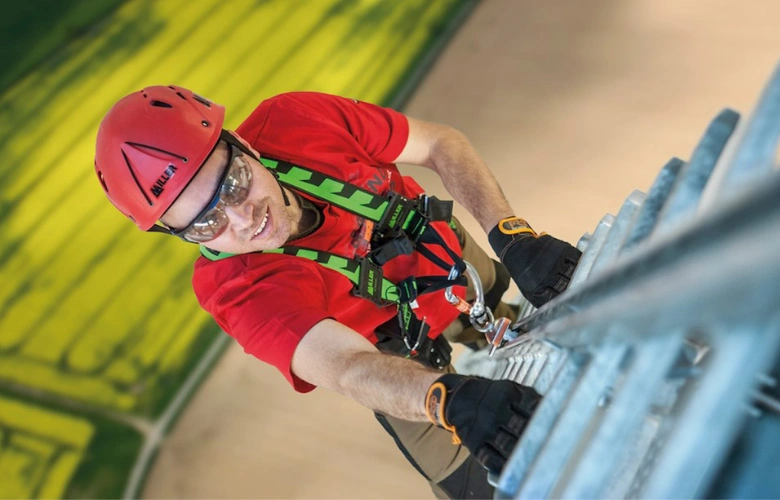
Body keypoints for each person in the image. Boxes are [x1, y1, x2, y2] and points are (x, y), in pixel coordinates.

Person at [94, 85, 581, 498]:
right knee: (480, 486)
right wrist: (446, 402)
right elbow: (346, 367)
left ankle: (490, 325)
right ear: (181, 237)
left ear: (242, 143)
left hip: (441, 259)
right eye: (206, 223)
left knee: (526, 310)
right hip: (388, 351)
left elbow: (440, 144)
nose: (244, 219)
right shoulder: (234, 290)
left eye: (234, 183)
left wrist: (512, 235)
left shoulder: (296, 119)